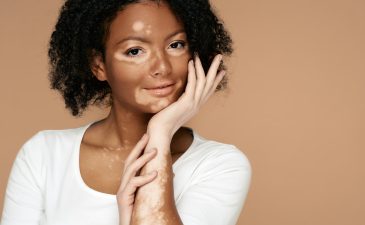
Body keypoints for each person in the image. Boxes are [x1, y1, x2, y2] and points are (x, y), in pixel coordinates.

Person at [0, 0, 252, 224]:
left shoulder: (221, 165)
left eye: (176, 45)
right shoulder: (43, 156)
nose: (162, 67)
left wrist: (160, 132)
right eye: (135, 51)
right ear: (99, 65)